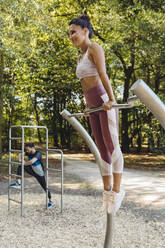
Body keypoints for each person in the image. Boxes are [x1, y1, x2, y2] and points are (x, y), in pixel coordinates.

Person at [69, 14, 125, 214]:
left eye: (73, 31)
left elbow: (103, 74)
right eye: (69, 33)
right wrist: (87, 107)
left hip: (103, 101)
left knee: (112, 146)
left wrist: (111, 100)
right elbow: (85, 84)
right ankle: (107, 193)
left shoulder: (94, 48)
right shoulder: (80, 55)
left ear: (85, 30)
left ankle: (117, 192)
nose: (71, 36)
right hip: (92, 105)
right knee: (102, 151)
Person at [10, 143, 53, 208]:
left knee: (44, 186)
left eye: (27, 149)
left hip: (39, 173)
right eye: (26, 150)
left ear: (32, 147)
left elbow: (31, 162)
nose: (26, 151)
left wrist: (24, 162)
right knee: (20, 166)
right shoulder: (28, 152)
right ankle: (18, 183)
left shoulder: (38, 154)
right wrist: (20, 160)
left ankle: (50, 201)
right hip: (32, 170)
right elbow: (20, 154)